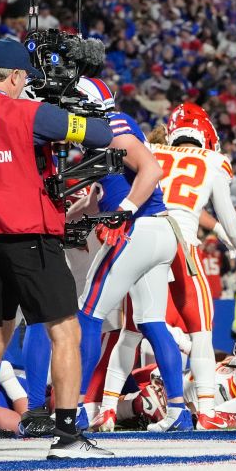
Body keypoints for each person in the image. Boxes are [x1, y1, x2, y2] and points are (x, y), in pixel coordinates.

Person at [0, 39, 114, 459]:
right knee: (65, 331)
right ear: (18, 76)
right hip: (30, 236)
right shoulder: (28, 111)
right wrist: (72, 108)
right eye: (25, 79)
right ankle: (69, 436)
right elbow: (99, 134)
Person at [91, 102, 236, 431]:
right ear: (206, 135)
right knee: (200, 334)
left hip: (143, 238)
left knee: (131, 333)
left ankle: (106, 409)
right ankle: (205, 411)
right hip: (181, 245)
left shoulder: (151, 150)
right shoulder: (213, 161)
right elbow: (231, 224)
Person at [68, 78, 190, 433]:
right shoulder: (101, 137)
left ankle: (72, 408)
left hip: (138, 228)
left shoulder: (110, 128)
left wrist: (123, 210)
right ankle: (178, 413)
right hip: (160, 232)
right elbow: (94, 200)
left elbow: (152, 170)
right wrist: (66, 219)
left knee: (88, 314)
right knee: (152, 321)